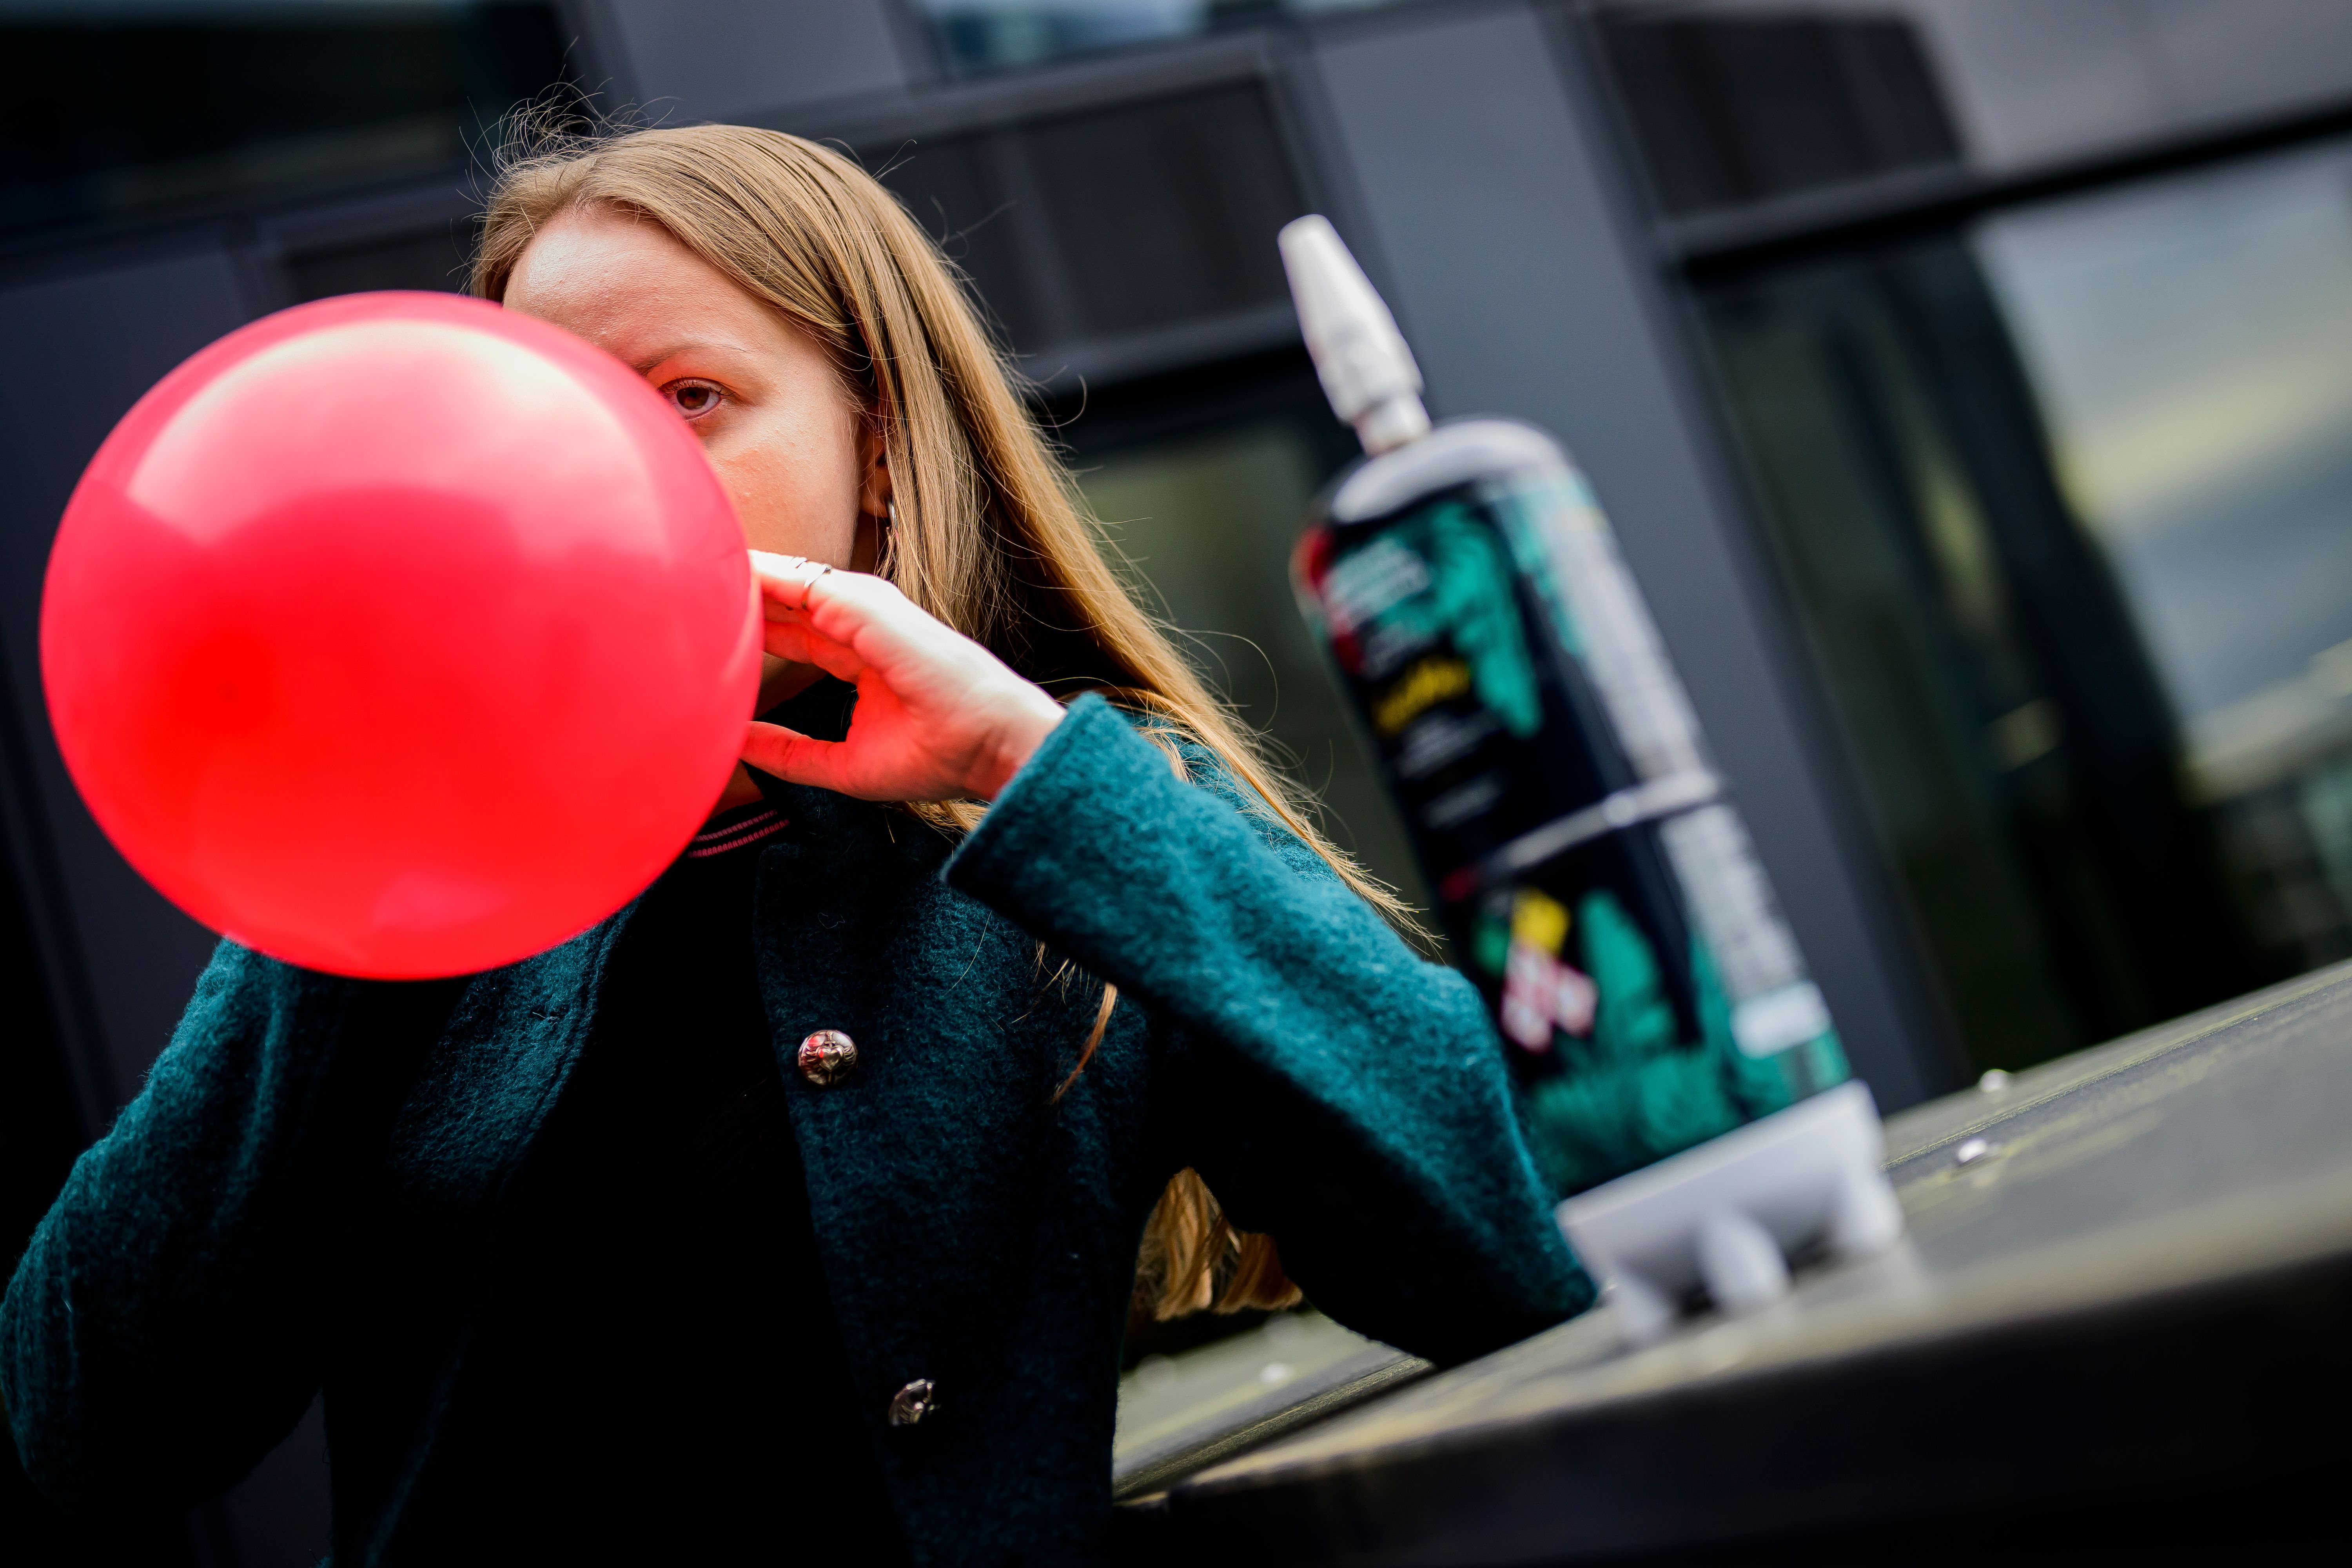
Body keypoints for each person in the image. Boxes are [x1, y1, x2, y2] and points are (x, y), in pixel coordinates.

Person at [2, 123, 1586, 1564]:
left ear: (879, 449)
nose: (610, 473)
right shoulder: (396, 880)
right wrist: (348, 873)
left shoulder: (1070, 815)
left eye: (690, 397)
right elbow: (93, 1428)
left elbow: (1496, 1252)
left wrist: (1029, 765)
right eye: (553, 415)